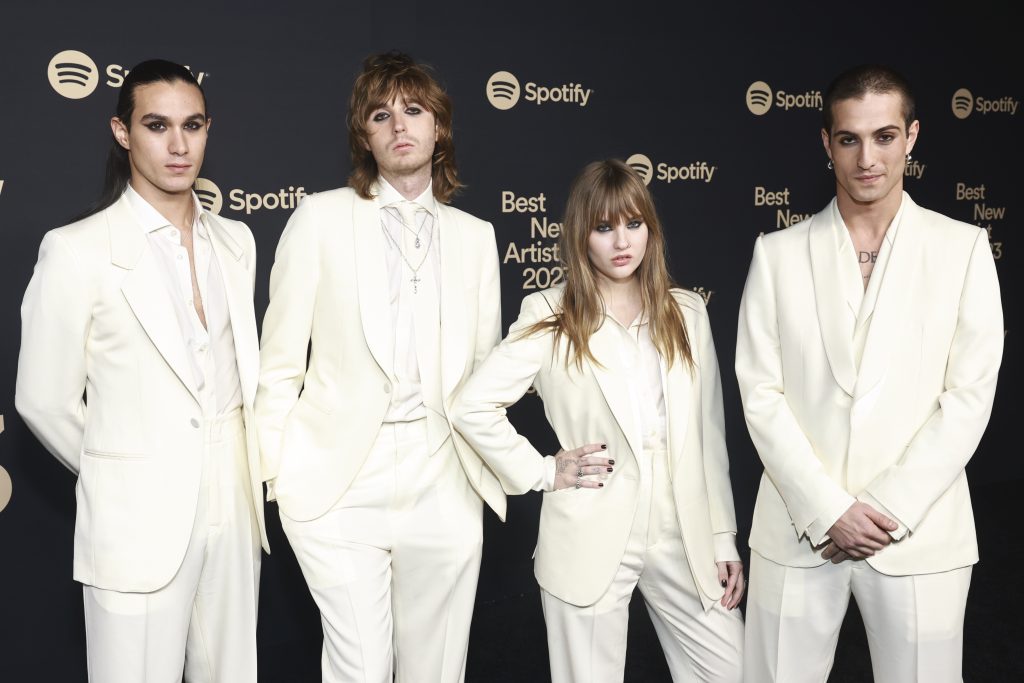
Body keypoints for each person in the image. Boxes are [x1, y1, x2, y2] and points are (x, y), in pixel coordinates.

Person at [736, 64, 1003, 682]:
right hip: (799, 531)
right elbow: (760, 393)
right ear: (826, 143)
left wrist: (883, 508)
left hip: (919, 534)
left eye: (884, 136)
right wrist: (828, 508)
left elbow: (968, 399)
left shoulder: (961, 249)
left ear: (911, 137)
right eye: (850, 139)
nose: (867, 158)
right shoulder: (776, 256)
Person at [255, 51, 503, 683]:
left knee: (437, 671)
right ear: (363, 135)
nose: (399, 126)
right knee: (358, 668)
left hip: (442, 479)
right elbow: (279, 362)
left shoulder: (475, 238)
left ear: (439, 127)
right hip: (339, 483)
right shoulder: (318, 217)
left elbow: (484, 372)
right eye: (381, 114)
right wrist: (278, 474)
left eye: (414, 111)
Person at [16, 59, 267, 681]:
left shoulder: (238, 242)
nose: (179, 145)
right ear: (123, 131)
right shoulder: (76, 250)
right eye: (157, 125)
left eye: (193, 125)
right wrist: (123, 469)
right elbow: (41, 399)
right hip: (136, 518)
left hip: (234, 507)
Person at [453, 159, 745, 683]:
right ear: (581, 235)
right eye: (604, 227)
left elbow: (708, 435)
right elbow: (472, 406)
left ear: (650, 230)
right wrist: (543, 472)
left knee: (735, 671)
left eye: (634, 224)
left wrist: (723, 537)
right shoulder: (549, 313)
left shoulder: (688, 312)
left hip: (683, 529)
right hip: (590, 527)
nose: (621, 241)